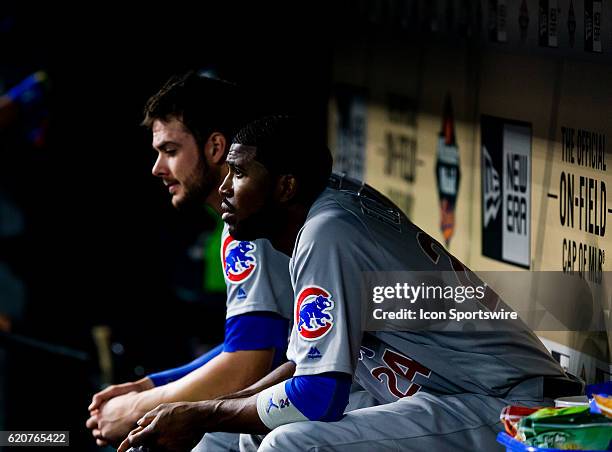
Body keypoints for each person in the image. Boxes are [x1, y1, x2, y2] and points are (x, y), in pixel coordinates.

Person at [119, 116, 581, 452]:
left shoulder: (328, 232)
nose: (225, 189)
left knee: (292, 444)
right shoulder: (318, 218)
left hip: (508, 404)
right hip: (438, 393)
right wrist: (206, 413)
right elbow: (305, 369)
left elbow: (318, 398)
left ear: (285, 187)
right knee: (225, 433)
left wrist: (202, 410)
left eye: (239, 174)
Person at [86, 75, 293, 450]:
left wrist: (135, 408)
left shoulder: (255, 220)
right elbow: (257, 345)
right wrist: (153, 386)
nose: (157, 168)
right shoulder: (256, 206)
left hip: (400, 388)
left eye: (170, 150)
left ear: (215, 146)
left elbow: (248, 366)